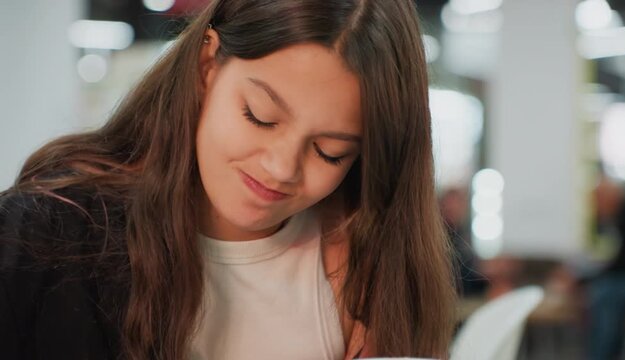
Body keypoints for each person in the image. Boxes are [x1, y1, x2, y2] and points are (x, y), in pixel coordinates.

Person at [0, 0, 457, 359]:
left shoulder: (365, 270)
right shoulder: (52, 233)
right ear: (208, 67)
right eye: (259, 117)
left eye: (330, 152)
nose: (281, 168)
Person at [588, 173, 625, 360]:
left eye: (600, 198)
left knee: (607, 294)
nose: (597, 204)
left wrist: (589, 278)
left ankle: (602, 354)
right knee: (604, 291)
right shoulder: (613, 216)